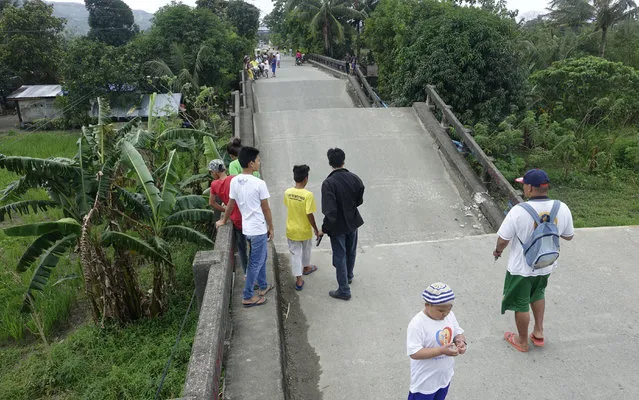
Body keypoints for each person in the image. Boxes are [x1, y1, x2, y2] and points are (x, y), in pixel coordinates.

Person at [493, 168, 574, 352]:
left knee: (521, 303)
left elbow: (503, 240)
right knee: (538, 294)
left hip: (522, 268)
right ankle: (538, 332)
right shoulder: (561, 207)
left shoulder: (518, 211)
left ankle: (522, 342)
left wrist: (497, 251)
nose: (523, 189)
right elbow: (568, 236)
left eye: (523, 186)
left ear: (529, 188)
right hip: (546, 264)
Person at [216, 147, 274, 308]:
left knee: (260, 258)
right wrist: (271, 227)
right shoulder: (259, 183)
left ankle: (263, 286)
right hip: (258, 229)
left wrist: (223, 220)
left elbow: (230, 205)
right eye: (257, 160)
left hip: (247, 229)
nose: (259, 162)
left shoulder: (235, 180)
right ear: (251, 163)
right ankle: (248, 296)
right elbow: (266, 209)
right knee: (256, 261)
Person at [407, 283, 467, 400]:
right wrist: (441, 351)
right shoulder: (417, 324)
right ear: (427, 305)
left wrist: (461, 341)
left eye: (448, 310)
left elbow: (457, 332)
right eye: (440, 311)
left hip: (443, 378)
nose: (445, 314)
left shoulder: (449, 316)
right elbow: (414, 353)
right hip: (424, 384)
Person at [320, 148, 365, 300]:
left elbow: (330, 210)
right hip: (352, 221)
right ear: (343, 161)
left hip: (337, 226)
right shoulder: (355, 178)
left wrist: (324, 228)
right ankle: (349, 275)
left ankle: (344, 290)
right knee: (351, 250)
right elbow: (359, 200)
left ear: (330, 163)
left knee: (339, 255)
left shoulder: (329, 183)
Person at [208, 159, 248, 278]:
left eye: (211, 172)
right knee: (254, 246)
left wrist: (225, 210)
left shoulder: (214, 185)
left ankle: (246, 272)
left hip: (236, 219)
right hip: (246, 215)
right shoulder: (234, 179)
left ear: (215, 172)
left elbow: (212, 203)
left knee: (242, 248)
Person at [284, 165, 321, 291]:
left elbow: (288, 205)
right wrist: (315, 229)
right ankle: (306, 267)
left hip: (291, 229)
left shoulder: (288, 192)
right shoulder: (308, 195)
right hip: (304, 230)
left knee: (295, 254)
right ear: (306, 178)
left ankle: (299, 280)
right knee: (306, 249)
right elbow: (309, 214)